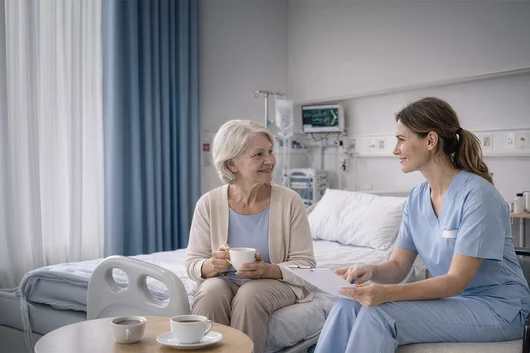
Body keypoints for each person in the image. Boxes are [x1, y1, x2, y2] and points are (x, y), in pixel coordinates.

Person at [315, 97, 530, 352]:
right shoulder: (417, 198)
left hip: (498, 308)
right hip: (455, 302)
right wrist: (370, 271)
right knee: (347, 303)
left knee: (379, 314)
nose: (395, 150)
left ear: (430, 141)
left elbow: (456, 281)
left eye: (401, 139)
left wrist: (386, 293)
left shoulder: (478, 196)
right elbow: (397, 266)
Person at [185, 119, 316, 353]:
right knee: (210, 292)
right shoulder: (209, 203)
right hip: (224, 280)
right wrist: (211, 265)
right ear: (232, 164)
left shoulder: (290, 201)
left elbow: (306, 266)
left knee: (249, 295)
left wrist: (266, 270)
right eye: (259, 154)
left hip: (275, 282)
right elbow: (193, 263)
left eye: (270, 152)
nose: (270, 161)